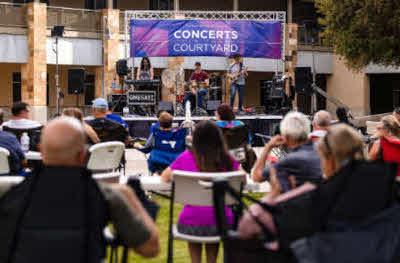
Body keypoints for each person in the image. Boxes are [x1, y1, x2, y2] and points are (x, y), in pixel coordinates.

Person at [0, 117, 160, 260]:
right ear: (83, 155)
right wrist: (132, 197)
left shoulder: (11, 193)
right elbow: (150, 248)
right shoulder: (106, 195)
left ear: (41, 151)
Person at [238, 124, 396, 251]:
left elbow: (246, 229)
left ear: (329, 159)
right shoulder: (389, 187)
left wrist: (274, 195)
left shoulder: (313, 197)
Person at [161, 121, 240, 263]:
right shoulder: (227, 159)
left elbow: (165, 177)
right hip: (221, 221)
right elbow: (242, 177)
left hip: (191, 221)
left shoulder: (186, 157)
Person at [252, 111, 322, 193]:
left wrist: (268, 147)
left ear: (286, 136)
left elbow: (256, 176)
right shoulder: (323, 153)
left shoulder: (289, 161)